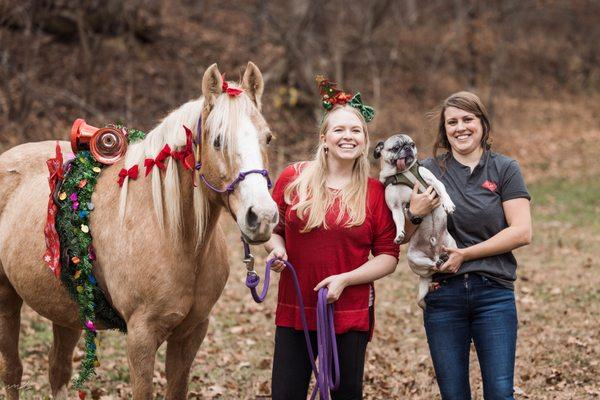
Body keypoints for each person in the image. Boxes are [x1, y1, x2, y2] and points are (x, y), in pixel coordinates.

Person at [264, 77, 399, 400]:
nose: (348, 136)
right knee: (286, 393)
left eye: (356, 131)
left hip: (349, 310)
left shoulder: (376, 193)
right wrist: (277, 251)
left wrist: (345, 279)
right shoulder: (293, 179)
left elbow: (388, 257)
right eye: (339, 130)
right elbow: (272, 229)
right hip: (295, 305)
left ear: (365, 142)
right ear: (324, 139)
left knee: (345, 393)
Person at [403, 91, 532, 400]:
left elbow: (522, 231)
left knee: (500, 394)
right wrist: (414, 213)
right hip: (442, 295)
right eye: (452, 122)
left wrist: (466, 254)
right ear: (444, 131)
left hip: (494, 293)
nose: (460, 128)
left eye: (467, 120)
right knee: (454, 395)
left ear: (482, 124)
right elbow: (405, 235)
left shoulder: (504, 169)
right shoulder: (427, 171)